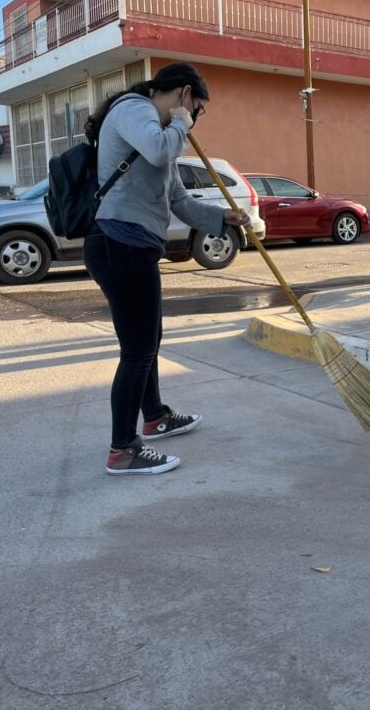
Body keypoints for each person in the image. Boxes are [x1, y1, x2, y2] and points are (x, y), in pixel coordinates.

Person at [84, 62, 250, 476]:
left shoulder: (157, 132)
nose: (195, 118)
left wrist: (219, 219)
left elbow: (176, 198)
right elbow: (161, 149)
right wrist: (180, 122)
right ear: (183, 94)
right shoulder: (134, 110)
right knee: (137, 349)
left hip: (133, 246)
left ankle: (154, 416)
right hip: (119, 244)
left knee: (148, 340)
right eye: (196, 108)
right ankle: (122, 449)